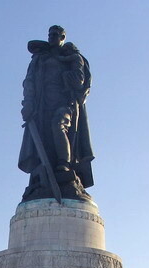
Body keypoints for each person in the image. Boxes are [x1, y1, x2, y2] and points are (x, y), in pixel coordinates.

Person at [18, 25, 94, 201]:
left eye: (56, 35)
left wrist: (70, 63)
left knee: (58, 125)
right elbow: (29, 81)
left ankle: (64, 166)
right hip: (42, 106)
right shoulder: (40, 59)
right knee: (44, 140)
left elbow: (79, 81)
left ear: (63, 37)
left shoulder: (73, 58)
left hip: (65, 103)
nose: (52, 37)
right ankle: (45, 174)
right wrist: (28, 103)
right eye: (50, 34)